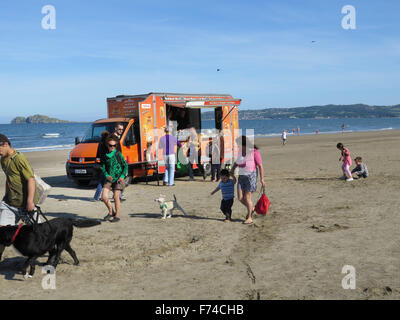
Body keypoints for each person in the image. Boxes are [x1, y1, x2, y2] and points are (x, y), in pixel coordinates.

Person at [0, 134, 39, 261]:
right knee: (1, 233)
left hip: (25, 204)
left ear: (5, 144)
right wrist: (6, 197)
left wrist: (29, 201)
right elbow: (10, 179)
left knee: (38, 233)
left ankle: (53, 252)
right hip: (9, 203)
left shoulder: (19, 159)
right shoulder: (3, 159)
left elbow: (31, 179)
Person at [230, 136, 265, 225]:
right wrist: (232, 171)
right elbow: (236, 163)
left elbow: (260, 166)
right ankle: (252, 208)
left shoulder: (254, 152)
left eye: (239, 145)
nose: (238, 146)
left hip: (251, 177)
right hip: (241, 177)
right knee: (240, 198)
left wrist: (262, 179)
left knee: (247, 198)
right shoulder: (240, 152)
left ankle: (249, 218)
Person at [101, 135, 128, 222]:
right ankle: (111, 212)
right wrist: (106, 175)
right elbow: (103, 167)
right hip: (109, 179)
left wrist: (122, 176)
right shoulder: (105, 155)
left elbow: (125, 165)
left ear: (116, 145)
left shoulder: (118, 154)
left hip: (118, 179)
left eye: (114, 145)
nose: (112, 147)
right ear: (107, 145)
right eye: (110, 145)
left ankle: (117, 215)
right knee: (104, 197)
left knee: (116, 197)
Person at [93, 131, 109, 201]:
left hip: (102, 164)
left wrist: (97, 162)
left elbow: (97, 155)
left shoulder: (100, 144)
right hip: (107, 165)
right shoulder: (107, 144)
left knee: (101, 182)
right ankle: (119, 195)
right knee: (110, 181)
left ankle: (96, 197)